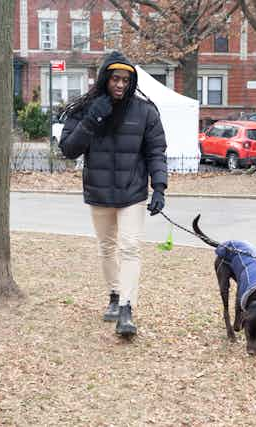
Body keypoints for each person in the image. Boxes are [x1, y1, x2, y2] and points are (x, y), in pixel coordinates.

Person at [59, 51, 168, 338]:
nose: (120, 84)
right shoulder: (85, 109)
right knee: (107, 248)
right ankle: (114, 294)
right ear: (105, 79)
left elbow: (156, 152)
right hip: (99, 191)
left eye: (126, 80)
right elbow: (68, 150)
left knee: (130, 247)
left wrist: (159, 187)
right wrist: (93, 118)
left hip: (132, 192)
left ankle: (127, 309)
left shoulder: (146, 111)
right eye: (115, 79)